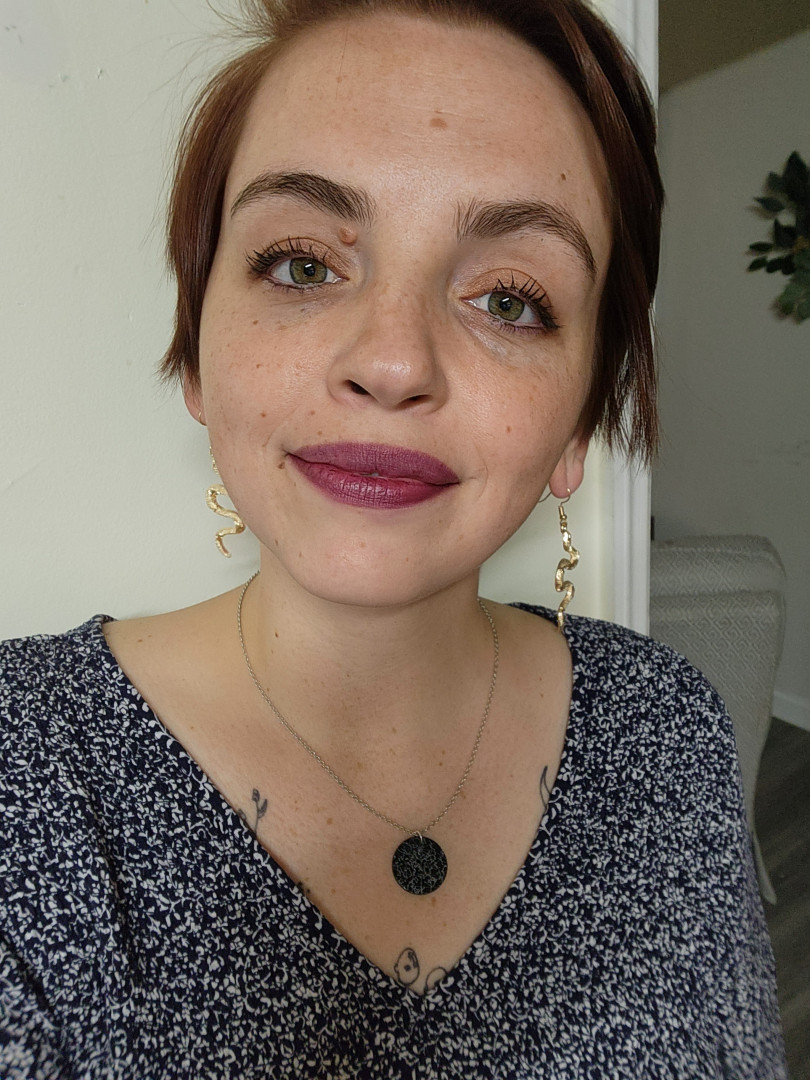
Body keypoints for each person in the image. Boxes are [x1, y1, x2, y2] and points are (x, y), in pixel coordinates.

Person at [0, 0, 787, 1076]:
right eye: (302, 265)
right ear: (198, 348)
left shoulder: (671, 731)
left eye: (509, 299)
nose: (394, 362)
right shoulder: (25, 769)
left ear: (581, 423)